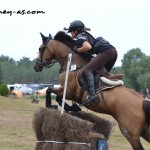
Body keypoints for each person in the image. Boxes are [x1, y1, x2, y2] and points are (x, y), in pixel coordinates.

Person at [64, 20, 121, 106]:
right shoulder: (88, 34)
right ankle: (102, 92)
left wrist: (77, 50)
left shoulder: (80, 37)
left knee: (86, 70)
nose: (71, 34)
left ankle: (93, 95)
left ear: (76, 31)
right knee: (100, 73)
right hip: (113, 52)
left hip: (106, 52)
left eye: (71, 32)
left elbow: (87, 46)